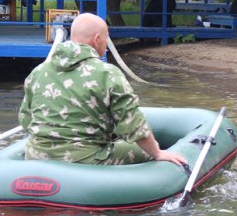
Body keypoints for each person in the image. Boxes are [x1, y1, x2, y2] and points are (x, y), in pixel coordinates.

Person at [18, 12, 187, 166]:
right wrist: (157, 153)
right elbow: (133, 125)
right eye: (106, 39)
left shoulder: (39, 71)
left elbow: (25, 119)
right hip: (84, 157)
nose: (105, 45)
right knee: (146, 151)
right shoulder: (107, 74)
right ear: (97, 39)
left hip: (37, 155)